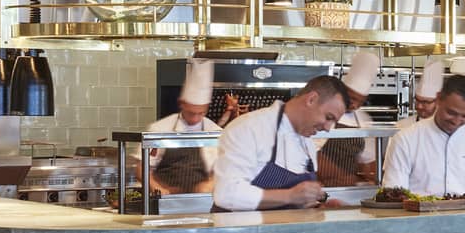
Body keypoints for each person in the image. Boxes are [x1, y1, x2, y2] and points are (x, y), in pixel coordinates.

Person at [212, 75, 348, 211]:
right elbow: (226, 194)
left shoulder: (308, 144)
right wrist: (289, 196)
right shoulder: (248, 127)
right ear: (311, 99)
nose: (328, 128)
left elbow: (295, 205)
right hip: (242, 231)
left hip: (281, 230)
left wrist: (318, 206)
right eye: (328, 117)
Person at [381, 74, 465, 196]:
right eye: (451, 113)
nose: (456, 121)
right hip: (419, 216)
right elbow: (393, 194)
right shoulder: (405, 139)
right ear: (439, 99)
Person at [146, 58, 222, 194]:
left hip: (202, 202)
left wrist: (211, 184)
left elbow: (225, 169)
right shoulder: (160, 129)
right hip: (166, 201)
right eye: (191, 113)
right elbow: (142, 167)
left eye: (201, 113)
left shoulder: (215, 132)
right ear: (181, 103)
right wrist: (157, 188)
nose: (195, 118)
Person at [317, 51, 381, 186]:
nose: (355, 105)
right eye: (352, 98)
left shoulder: (363, 119)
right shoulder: (323, 111)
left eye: (360, 102)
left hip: (349, 188)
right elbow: (313, 155)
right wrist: (341, 176)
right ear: (343, 90)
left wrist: (374, 176)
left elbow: (368, 161)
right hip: (321, 186)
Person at [395, 60, 443, 129]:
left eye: (425, 102)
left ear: (438, 101)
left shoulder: (447, 128)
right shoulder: (402, 126)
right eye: (417, 100)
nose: (419, 106)